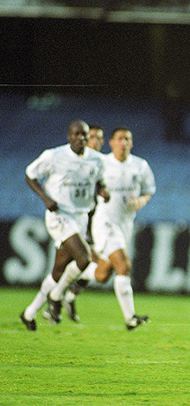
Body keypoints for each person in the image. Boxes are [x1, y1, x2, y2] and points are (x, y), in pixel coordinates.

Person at [47, 127, 156, 330]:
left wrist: (141, 201)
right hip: (104, 223)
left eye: (128, 139)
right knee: (124, 265)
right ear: (112, 143)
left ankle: (62, 294)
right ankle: (130, 318)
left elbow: (149, 191)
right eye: (120, 138)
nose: (124, 142)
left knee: (102, 275)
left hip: (125, 225)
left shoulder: (140, 166)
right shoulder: (102, 163)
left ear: (131, 143)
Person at [20, 120, 109, 331]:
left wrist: (103, 191)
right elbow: (30, 175)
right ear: (68, 136)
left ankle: (29, 313)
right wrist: (45, 199)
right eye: (77, 134)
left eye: (85, 135)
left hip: (80, 216)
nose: (81, 139)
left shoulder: (96, 159)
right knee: (84, 258)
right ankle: (57, 296)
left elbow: (98, 181)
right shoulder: (54, 156)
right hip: (59, 215)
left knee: (58, 272)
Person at [57, 123, 106, 322]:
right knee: (82, 263)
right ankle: (56, 300)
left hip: (95, 223)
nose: (93, 140)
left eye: (98, 137)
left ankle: (64, 298)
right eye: (91, 136)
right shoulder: (72, 161)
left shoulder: (102, 163)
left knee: (91, 266)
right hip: (74, 221)